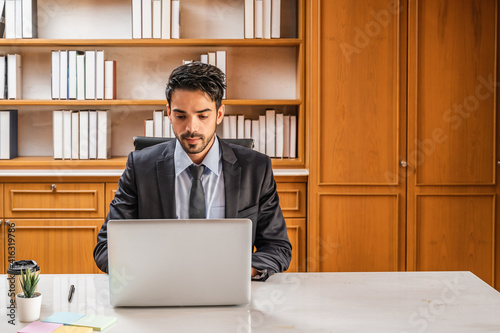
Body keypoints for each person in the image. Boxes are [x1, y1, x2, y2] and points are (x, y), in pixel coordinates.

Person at [93, 62, 292, 281]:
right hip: (160, 288)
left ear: (219, 113)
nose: (191, 128)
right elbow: (106, 247)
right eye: (181, 116)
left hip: (228, 288)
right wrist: (147, 271)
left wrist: (243, 272)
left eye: (202, 116)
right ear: (168, 113)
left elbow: (277, 246)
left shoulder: (256, 169)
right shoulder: (140, 167)